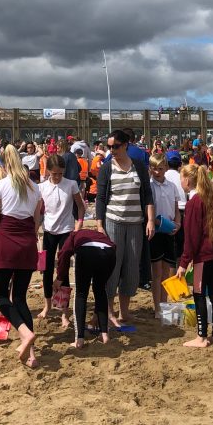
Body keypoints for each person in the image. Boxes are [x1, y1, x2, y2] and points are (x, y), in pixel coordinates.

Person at [0, 144, 43, 368]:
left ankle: (24, 334)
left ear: (2, 164)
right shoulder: (34, 188)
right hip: (26, 244)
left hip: (6, 241)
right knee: (21, 297)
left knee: (0, 296)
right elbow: (35, 224)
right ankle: (31, 353)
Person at [94, 129, 155, 326]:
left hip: (136, 224)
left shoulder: (138, 165)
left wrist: (151, 220)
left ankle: (124, 312)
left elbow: (147, 195)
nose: (112, 150)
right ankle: (110, 311)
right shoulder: (107, 167)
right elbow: (101, 198)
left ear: (126, 145)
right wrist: (99, 224)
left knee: (131, 269)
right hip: (113, 222)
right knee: (112, 267)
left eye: (116, 146)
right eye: (109, 147)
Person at [175, 164, 213, 348]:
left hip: (204, 254)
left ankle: (202, 336)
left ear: (187, 180)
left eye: (181, 178)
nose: (181, 181)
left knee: (198, 293)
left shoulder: (194, 203)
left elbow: (191, 237)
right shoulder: (207, 197)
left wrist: (183, 262)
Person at [38, 154, 85, 328]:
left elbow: (81, 206)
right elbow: (39, 211)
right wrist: (35, 229)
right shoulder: (41, 187)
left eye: (59, 173)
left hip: (66, 231)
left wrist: (79, 225)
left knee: (63, 271)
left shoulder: (70, 184)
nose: (57, 177)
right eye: (54, 173)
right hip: (49, 231)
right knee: (46, 269)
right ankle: (47, 305)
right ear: (48, 171)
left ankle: (64, 312)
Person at [55, 225, 116, 348]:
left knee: (81, 294)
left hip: (86, 252)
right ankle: (105, 335)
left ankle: (79, 339)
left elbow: (64, 253)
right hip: (109, 252)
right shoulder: (99, 235)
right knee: (100, 290)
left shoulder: (73, 235)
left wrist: (60, 278)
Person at [148, 154, 182, 317]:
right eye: (154, 168)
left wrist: (178, 223)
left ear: (166, 168)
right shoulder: (150, 186)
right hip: (155, 231)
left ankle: (164, 303)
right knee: (156, 273)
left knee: (167, 271)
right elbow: (148, 208)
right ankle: (157, 307)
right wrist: (154, 221)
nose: (157, 172)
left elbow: (175, 208)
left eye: (160, 168)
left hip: (169, 230)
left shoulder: (171, 186)